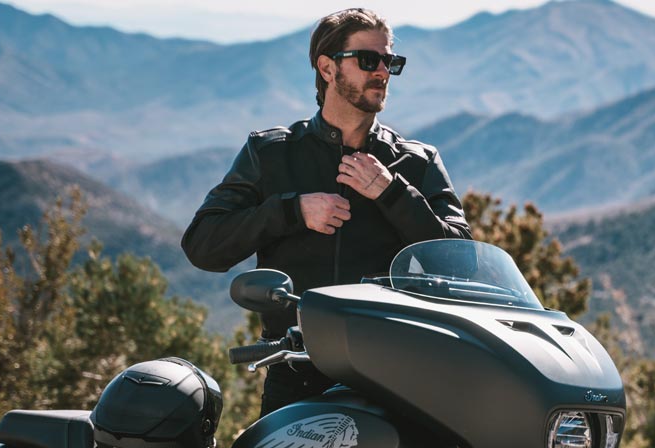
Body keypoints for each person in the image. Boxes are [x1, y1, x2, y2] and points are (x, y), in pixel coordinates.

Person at [182, 7, 471, 420]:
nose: (382, 72)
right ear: (327, 67)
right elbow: (203, 245)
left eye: (389, 61)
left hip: (395, 382)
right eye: (368, 60)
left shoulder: (415, 163)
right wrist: (291, 210)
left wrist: (391, 193)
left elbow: (462, 262)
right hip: (295, 379)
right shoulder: (272, 153)